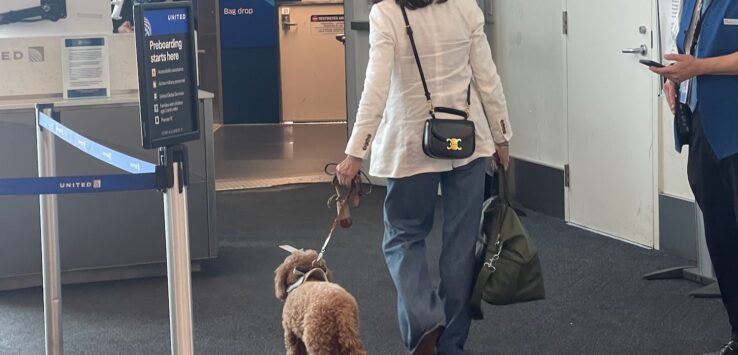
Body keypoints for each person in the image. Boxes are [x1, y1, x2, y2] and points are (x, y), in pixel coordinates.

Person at [336, 0, 512, 353]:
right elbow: (486, 77)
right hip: (467, 143)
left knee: (402, 237)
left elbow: (376, 87)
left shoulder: (387, 12)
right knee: (460, 250)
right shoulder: (466, 8)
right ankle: (451, 346)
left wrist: (356, 152)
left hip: (410, 147)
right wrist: (501, 135)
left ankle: (423, 321)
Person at [651, 1, 738, 354]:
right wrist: (673, 83)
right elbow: (687, 47)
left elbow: (699, 61)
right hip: (701, 129)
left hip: (734, 131)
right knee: (720, 239)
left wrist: (699, 68)